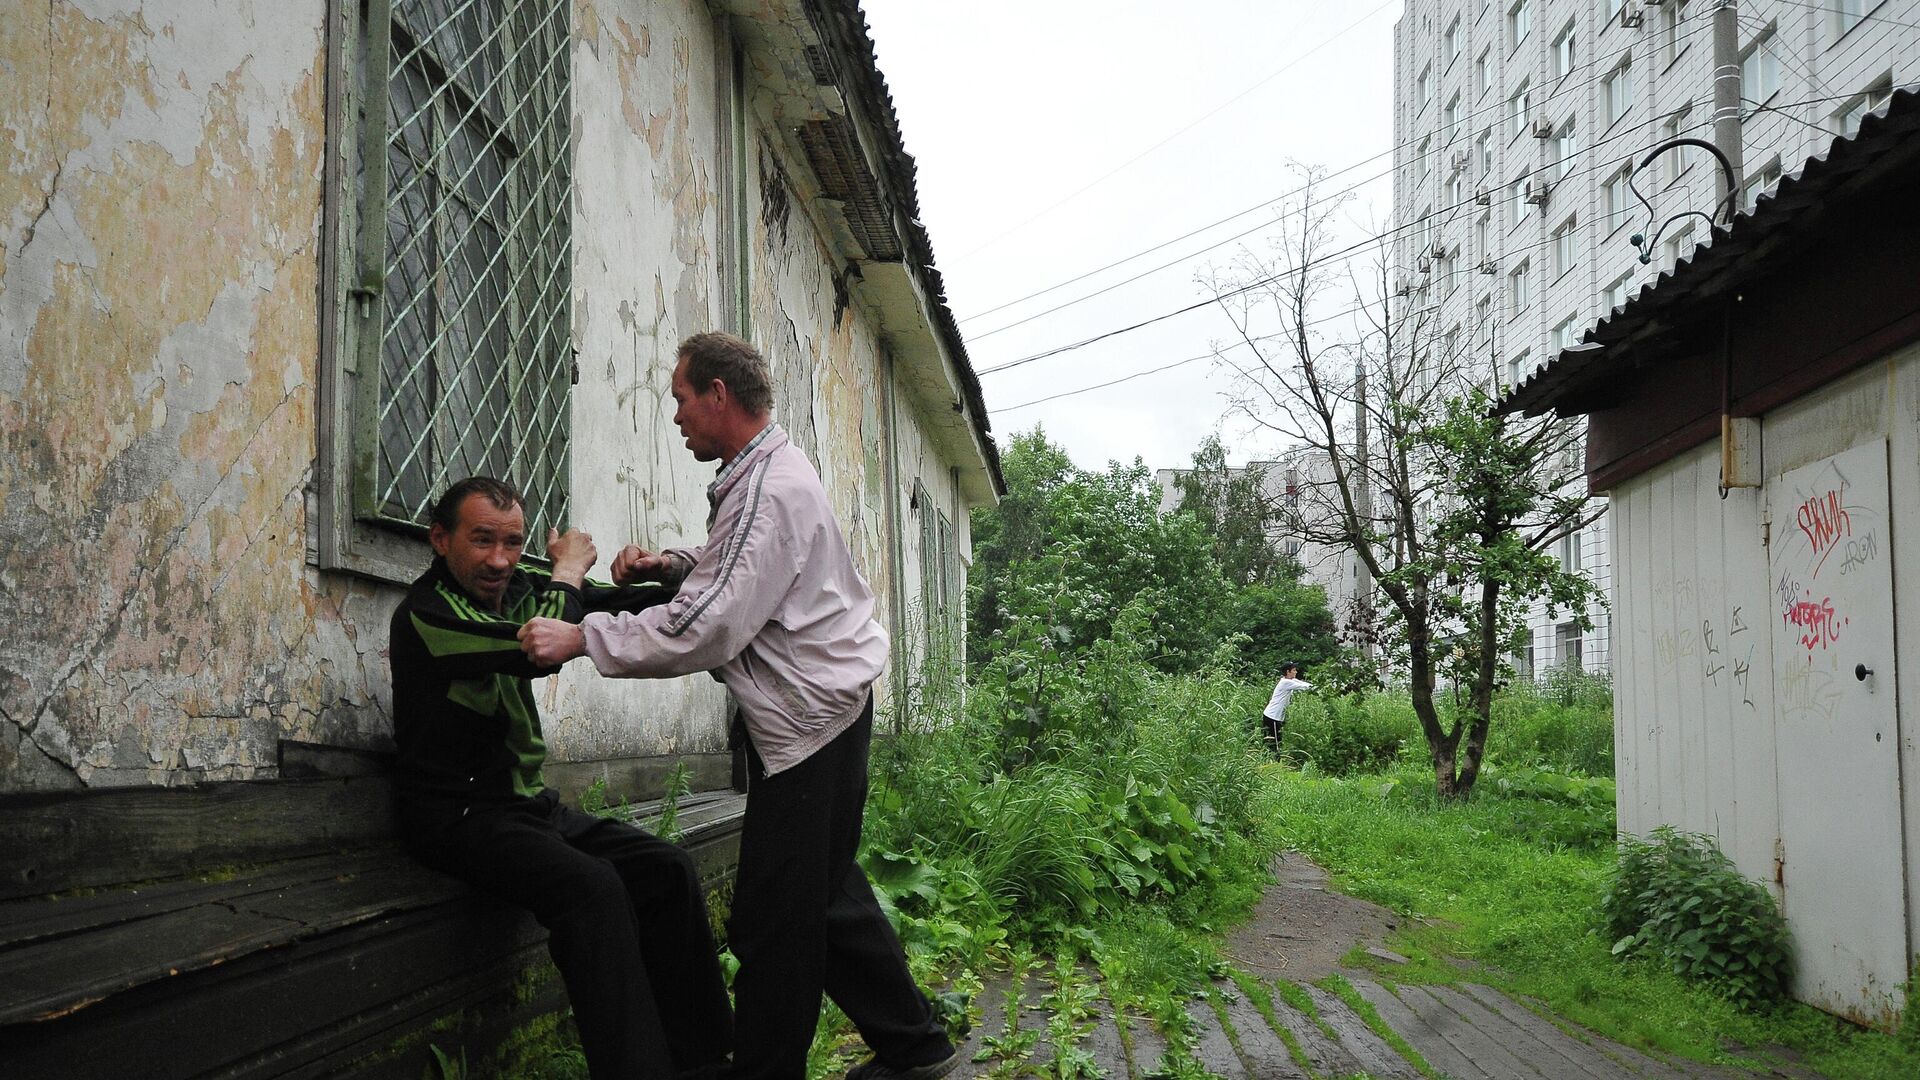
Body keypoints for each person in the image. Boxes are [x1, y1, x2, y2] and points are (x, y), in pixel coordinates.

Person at [518, 332, 957, 1080]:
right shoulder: (764, 474)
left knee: (772, 924)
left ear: (719, 395)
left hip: (811, 726)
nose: (679, 417)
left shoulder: (763, 489)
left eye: (682, 399)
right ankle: (916, 1046)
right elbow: (749, 571)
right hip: (829, 713)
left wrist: (581, 637)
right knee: (821, 896)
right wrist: (674, 563)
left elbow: (706, 625)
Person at [389, 476, 733, 1080]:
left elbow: (615, 607)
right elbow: (540, 646)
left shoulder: (524, 587)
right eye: (483, 541)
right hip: (456, 817)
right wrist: (568, 569)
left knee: (666, 871)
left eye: (514, 543)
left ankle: (708, 1061)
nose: (500, 560)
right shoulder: (425, 615)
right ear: (440, 540)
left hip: (526, 809)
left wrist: (650, 573)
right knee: (592, 888)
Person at [1262, 661, 1313, 758]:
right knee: (1274, 742)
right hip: (1272, 716)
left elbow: (1300, 682)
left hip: (1275, 716)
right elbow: (1303, 687)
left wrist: (1312, 685)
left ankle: (1271, 760)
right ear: (1288, 672)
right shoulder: (1285, 683)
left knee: (1275, 740)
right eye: (1294, 670)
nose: (1296, 672)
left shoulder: (1288, 681)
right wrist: (1315, 687)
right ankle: (1274, 762)